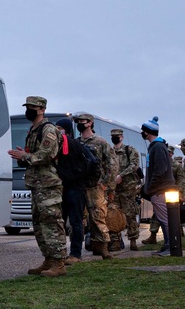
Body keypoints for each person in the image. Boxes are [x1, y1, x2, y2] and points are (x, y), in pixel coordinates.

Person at [7, 96, 68, 277]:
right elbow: (36, 154)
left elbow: (46, 154)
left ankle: (59, 263)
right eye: (27, 107)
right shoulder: (33, 130)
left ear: (42, 109)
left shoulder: (48, 129)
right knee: (40, 224)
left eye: (32, 107)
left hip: (48, 184)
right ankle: (48, 259)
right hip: (37, 184)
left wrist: (24, 156)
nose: (29, 110)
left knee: (52, 222)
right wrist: (25, 154)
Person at [75, 113, 117, 259]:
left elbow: (112, 163)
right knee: (79, 218)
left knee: (98, 217)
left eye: (82, 121)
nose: (80, 123)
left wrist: (106, 183)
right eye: (78, 121)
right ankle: (80, 249)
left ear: (90, 123)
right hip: (80, 185)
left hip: (95, 186)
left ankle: (104, 248)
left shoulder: (100, 142)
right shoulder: (77, 142)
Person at [140, 117, 174, 256]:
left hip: (160, 190)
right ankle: (168, 245)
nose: (142, 133)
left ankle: (170, 246)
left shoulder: (158, 147)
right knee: (163, 218)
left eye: (143, 131)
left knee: (165, 219)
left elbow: (160, 170)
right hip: (159, 189)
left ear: (148, 132)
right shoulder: (157, 147)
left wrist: (151, 187)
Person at [56, 118, 87, 265]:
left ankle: (75, 253)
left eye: (59, 127)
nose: (57, 130)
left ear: (66, 130)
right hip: (68, 187)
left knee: (75, 222)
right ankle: (63, 253)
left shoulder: (71, 144)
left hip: (74, 188)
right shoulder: (71, 143)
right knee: (63, 221)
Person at [112, 128, 142, 250]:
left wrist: (121, 175)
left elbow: (134, 165)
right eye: (113, 136)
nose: (115, 138)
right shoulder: (110, 151)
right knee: (113, 214)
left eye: (117, 136)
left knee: (130, 213)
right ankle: (115, 241)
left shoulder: (129, 150)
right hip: (114, 188)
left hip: (128, 188)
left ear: (122, 137)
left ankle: (133, 239)